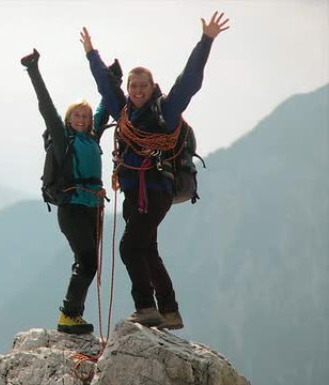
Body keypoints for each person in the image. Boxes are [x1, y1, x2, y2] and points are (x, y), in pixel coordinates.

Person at [79, 11, 230, 329]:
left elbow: (188, 82)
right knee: (146, 249)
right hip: (135, 192)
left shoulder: (167, 111)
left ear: (151, 86)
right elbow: (105, 84)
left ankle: (146, 307)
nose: (136, 90)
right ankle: (170, 311)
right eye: (133, 85)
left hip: (158, 191)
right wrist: (92, 54)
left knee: (129, 246)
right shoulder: (123, 110)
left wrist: (206, 41)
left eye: (142, 86)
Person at [20, 48, 110, 334]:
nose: (83, 119)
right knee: (86, 261)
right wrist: (33, 70)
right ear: (70, 119)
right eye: (77, 116)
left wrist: (114, 79)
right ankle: (68, 315)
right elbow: (47, 107)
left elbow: (104, 107)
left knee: (87, 263)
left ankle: (74, 316)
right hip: (71, 208)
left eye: (86, 116)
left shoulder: (93, 137)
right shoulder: (64, 140)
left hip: (92, 208)